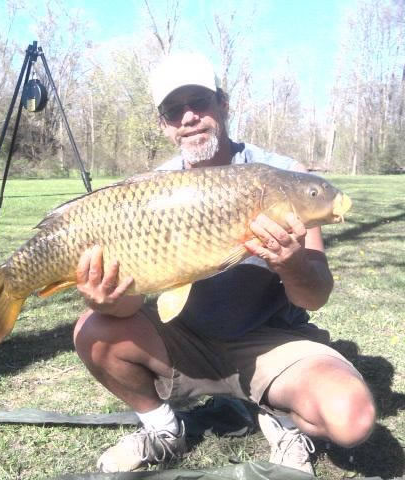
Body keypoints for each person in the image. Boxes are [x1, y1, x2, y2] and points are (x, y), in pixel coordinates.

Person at [73, 52, 376, 475]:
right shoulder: (150, 193)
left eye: (199, 102)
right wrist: (105, 299)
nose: (189, 117)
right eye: (174, 111)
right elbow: (126, 309)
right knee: (92, 328)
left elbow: (316, 295)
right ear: (164, 125)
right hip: (185, 339)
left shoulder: (283, 177)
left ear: (223, 104)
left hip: (271, 340)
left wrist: (290, 263)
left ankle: (283, 418)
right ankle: (163, 429)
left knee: (351, 418)